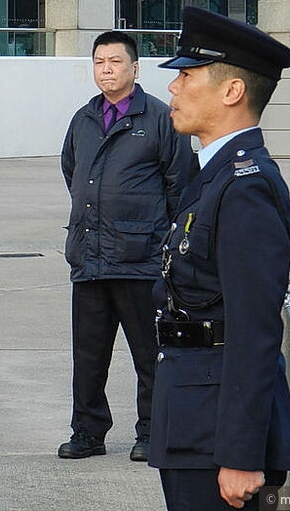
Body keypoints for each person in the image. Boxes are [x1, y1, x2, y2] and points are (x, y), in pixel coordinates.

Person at [149, 6, 290, 511]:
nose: (172, 87)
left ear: (231, 91)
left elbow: (254, 330)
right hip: (193, 411)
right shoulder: (212, 174)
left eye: (187, 76)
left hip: (217, 433)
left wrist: (239, 454)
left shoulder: (244, 188)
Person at [58, 31, 192, 462]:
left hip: (140, 260)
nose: (107, 70)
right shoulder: (83, 118)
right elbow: (72, 172)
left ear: (135, 68)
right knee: (88, 356)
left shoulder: (158, 117)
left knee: (149, 353)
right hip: (90, 257)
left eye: (115, 62)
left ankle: (152, 431)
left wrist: (156, 236)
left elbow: (180, 184)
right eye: (99, 62)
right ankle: (87, 432)